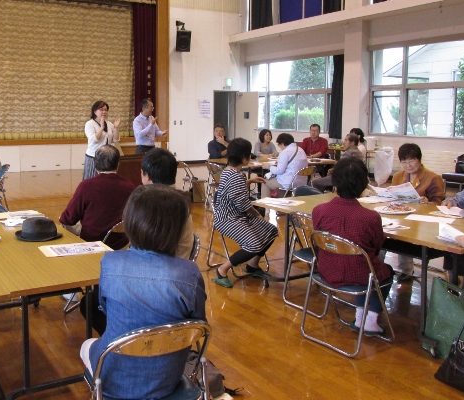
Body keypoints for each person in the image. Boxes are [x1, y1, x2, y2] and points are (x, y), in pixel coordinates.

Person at [80, 185, 206, 399]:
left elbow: (105, 309)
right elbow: (198, 326)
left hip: (112, 380)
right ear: (178, 229)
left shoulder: (110, 262)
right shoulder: (189, 273)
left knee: (86, 345)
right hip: (166, 379)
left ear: (129, 221)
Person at [313, 157, 394, 334]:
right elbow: (377, 247)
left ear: (334, 182)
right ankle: (370, 319)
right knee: (385, 270)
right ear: (364, 185)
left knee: (366, 265)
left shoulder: (319, 211)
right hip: (361, 275)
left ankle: (360, 315)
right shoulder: (371, 217)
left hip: (326, 270)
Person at [212, 138, 278, 288]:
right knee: (254, 244)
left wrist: (248, 182)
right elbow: (243, 205)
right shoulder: (236, 176)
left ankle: (252, 265)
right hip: (227, 219)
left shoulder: (229, 171)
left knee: (271, 231)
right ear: (244, 157)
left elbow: (233, 190)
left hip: (237, 216)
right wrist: (258, 214)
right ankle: (222, 269)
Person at [60, 145, 134, 250]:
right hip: (120, 243)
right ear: (118, 165)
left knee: (63, 223)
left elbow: (68, 218)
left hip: (92, 241)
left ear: (95, 163)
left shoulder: (86, 186)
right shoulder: (129, 186)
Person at [391, 143, 444, 282]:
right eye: (404, 162)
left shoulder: (433, 178)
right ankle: (379, 269)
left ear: (419, 160)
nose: (408, 165)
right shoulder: (398, 176)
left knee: (406, 233)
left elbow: (439, 204)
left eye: (412, 161)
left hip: (422, 221)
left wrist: (427, 203)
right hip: (401, 215)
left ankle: (406, 270)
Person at [140, 147, 194, 259]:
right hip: (181, 264)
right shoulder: (181, 199)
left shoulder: (153, 203)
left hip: (160, 265)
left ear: (147, 175)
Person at [260, 133, 308, 198]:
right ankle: (282, 199)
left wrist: (268, 166)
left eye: (279, 145)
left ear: (282, 143)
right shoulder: (301, 150)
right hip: (301, 183)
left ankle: (266, 204)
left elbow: (280, 171)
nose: (280, 147)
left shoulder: (285, 152)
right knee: (278, 181)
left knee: (264, 182)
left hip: (289, 183)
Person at [83, 101, 120, 180]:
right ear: (94, 111)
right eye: (101, 109)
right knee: (92, 179)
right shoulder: (90, 124)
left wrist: (116, 128)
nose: (104, 112)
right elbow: (93, 140)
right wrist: (101, 127)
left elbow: (115, 139)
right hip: (94, 157)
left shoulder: (109, 124)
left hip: (106, 157)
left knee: (104, 180)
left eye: (106, 110)